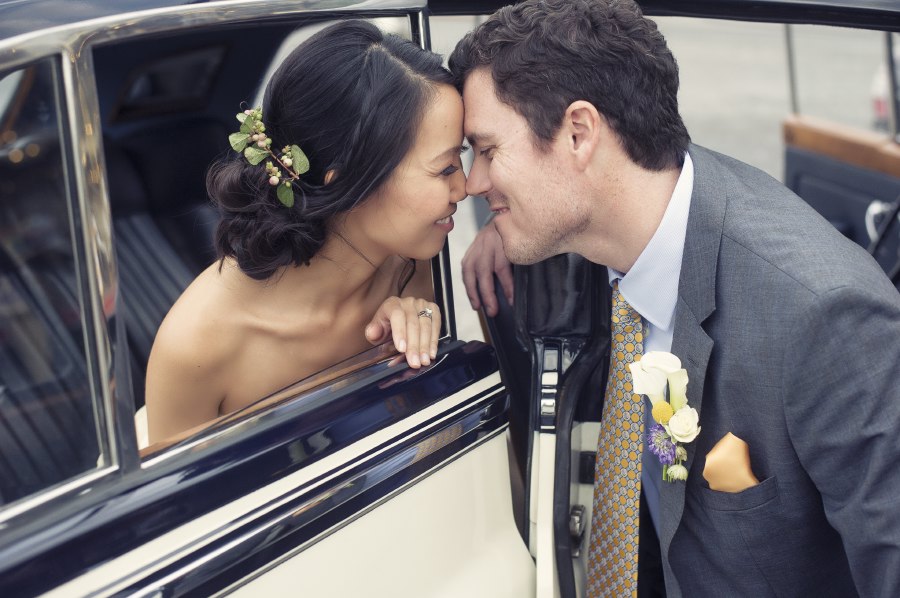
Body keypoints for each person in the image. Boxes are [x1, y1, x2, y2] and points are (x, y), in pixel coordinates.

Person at [449, 1, 900, 597]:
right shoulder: (609, 232)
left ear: (579, 134)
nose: (473, 184)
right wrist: (508, 227)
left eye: (486, 151)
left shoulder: (821, 314)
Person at [145, 20, 466, 444]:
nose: (466, 187)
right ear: (349, 177)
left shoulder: (410, 264)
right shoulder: (196, 345)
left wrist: (417, 335)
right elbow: (183, 507)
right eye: (445, 168)